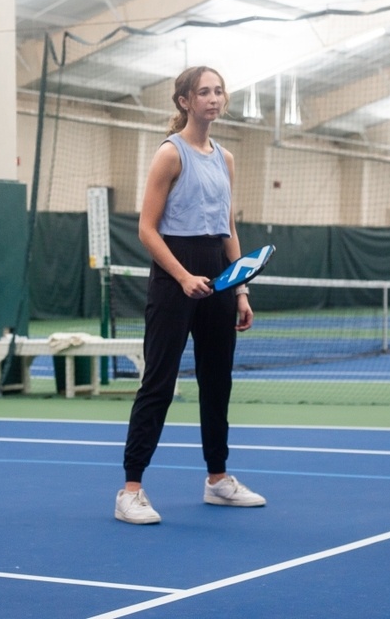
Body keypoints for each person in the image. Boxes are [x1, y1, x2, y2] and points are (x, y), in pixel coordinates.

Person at [114, 65, 266, 525]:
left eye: (220, 91)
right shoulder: (169, 154)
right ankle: (131, 489)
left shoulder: (226, 158)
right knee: (158, 382)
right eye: (204, 92)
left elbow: (228, 228)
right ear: (184, 101)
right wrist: (182, 277)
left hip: (219, 277)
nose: (214, 99)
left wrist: (238, 288)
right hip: (172, 274)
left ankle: (218, 480)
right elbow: (146, 229)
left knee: (217, 382)